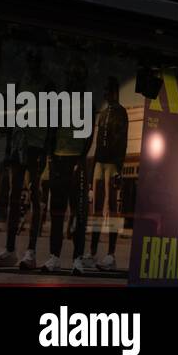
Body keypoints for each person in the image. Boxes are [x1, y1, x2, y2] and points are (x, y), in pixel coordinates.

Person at [0, 47, 50, 271]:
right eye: (29, 60)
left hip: (36, 146)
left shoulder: (47, 85)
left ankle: (30, 251)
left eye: (34, 61)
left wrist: (46, 149)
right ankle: (10, 249)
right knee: (14, 196)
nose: (31, 65)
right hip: (18, 143)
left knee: (34, 195)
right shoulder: (21, 82)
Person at [44, 54, 93, 273]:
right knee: (57, 211)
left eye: (77, 75)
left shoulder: (87, 102)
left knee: (79, 213)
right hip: (59, 159)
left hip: (76, 162)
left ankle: (77, 259)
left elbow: (89, 135)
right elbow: (51, 131)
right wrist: (52, 159)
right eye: (71, 75)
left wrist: (80, 160)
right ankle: (54, 256)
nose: (73, 79)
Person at [88, 76, 128, 271]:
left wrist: (120, 168)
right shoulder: (103, 113)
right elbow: (97, 142)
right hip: (100, 163)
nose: (105, 94)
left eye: (108, 90)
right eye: (104, 90)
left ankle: (111, 255)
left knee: (112, 207)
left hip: (112, 164)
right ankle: (92, 252)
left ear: (115, 92)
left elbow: (123, 141)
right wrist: (93, 166)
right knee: (96, 209)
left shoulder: (121, 112)